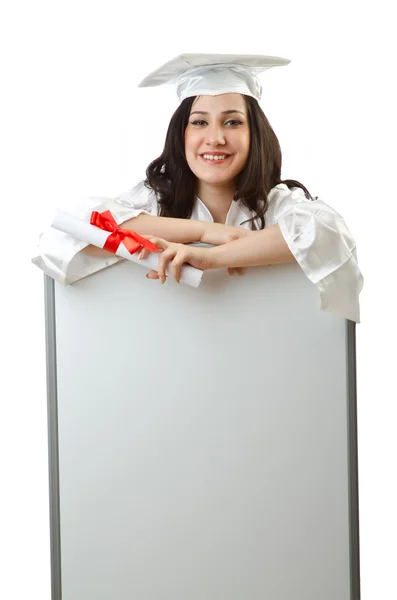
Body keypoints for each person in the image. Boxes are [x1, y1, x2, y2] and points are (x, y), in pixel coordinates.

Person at [32, 53, 363, 321]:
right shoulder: (154, 204)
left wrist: (212, 258)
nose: (216, 138)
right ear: (182, 134)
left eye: (233, 122)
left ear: (254, 135)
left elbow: (329, 230)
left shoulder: (277, 205)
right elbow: (72, 228)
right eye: (200, 121)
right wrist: (203, 233)